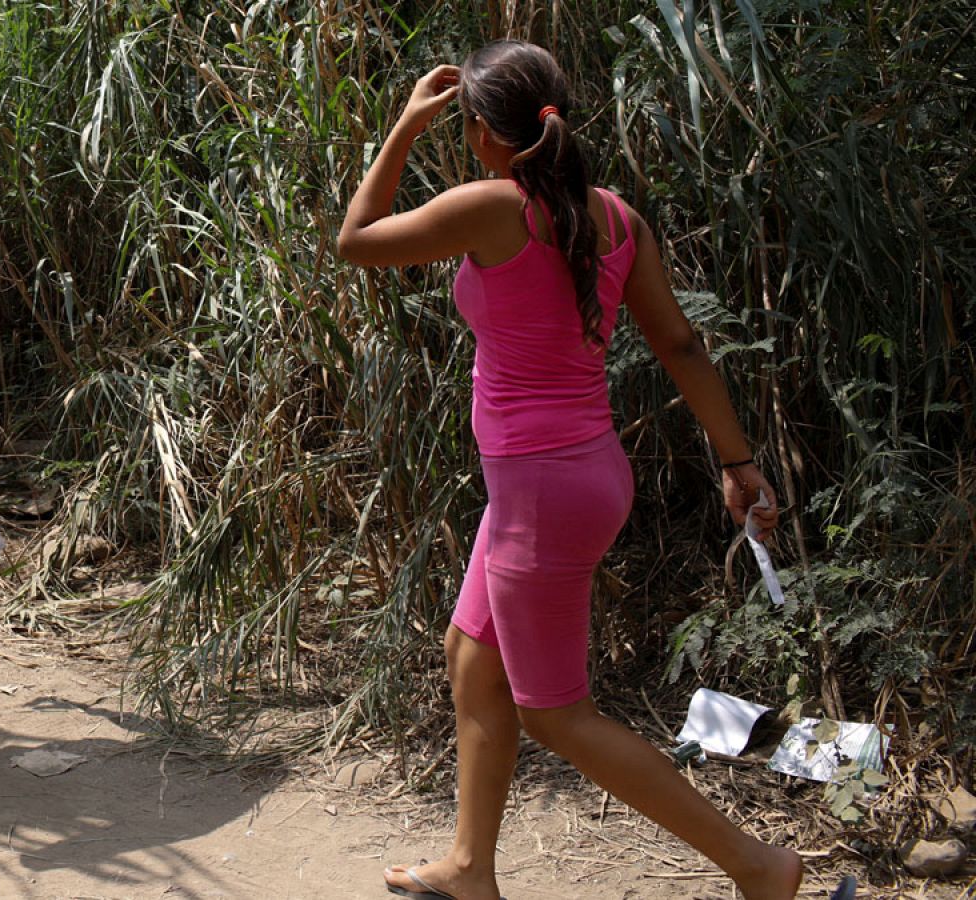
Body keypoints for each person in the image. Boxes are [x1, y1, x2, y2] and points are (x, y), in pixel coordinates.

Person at [337, 41, 848, 900]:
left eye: (463, 126)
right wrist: (737, 461)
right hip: (573, 480)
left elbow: (355, 240)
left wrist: (404, 127)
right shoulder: (615, 217)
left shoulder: (492, 206)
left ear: (482, 132)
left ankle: (761, 868)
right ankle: (469, 867)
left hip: (539, 496)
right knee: (472, 657)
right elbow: (680, 344)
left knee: (557, 714)